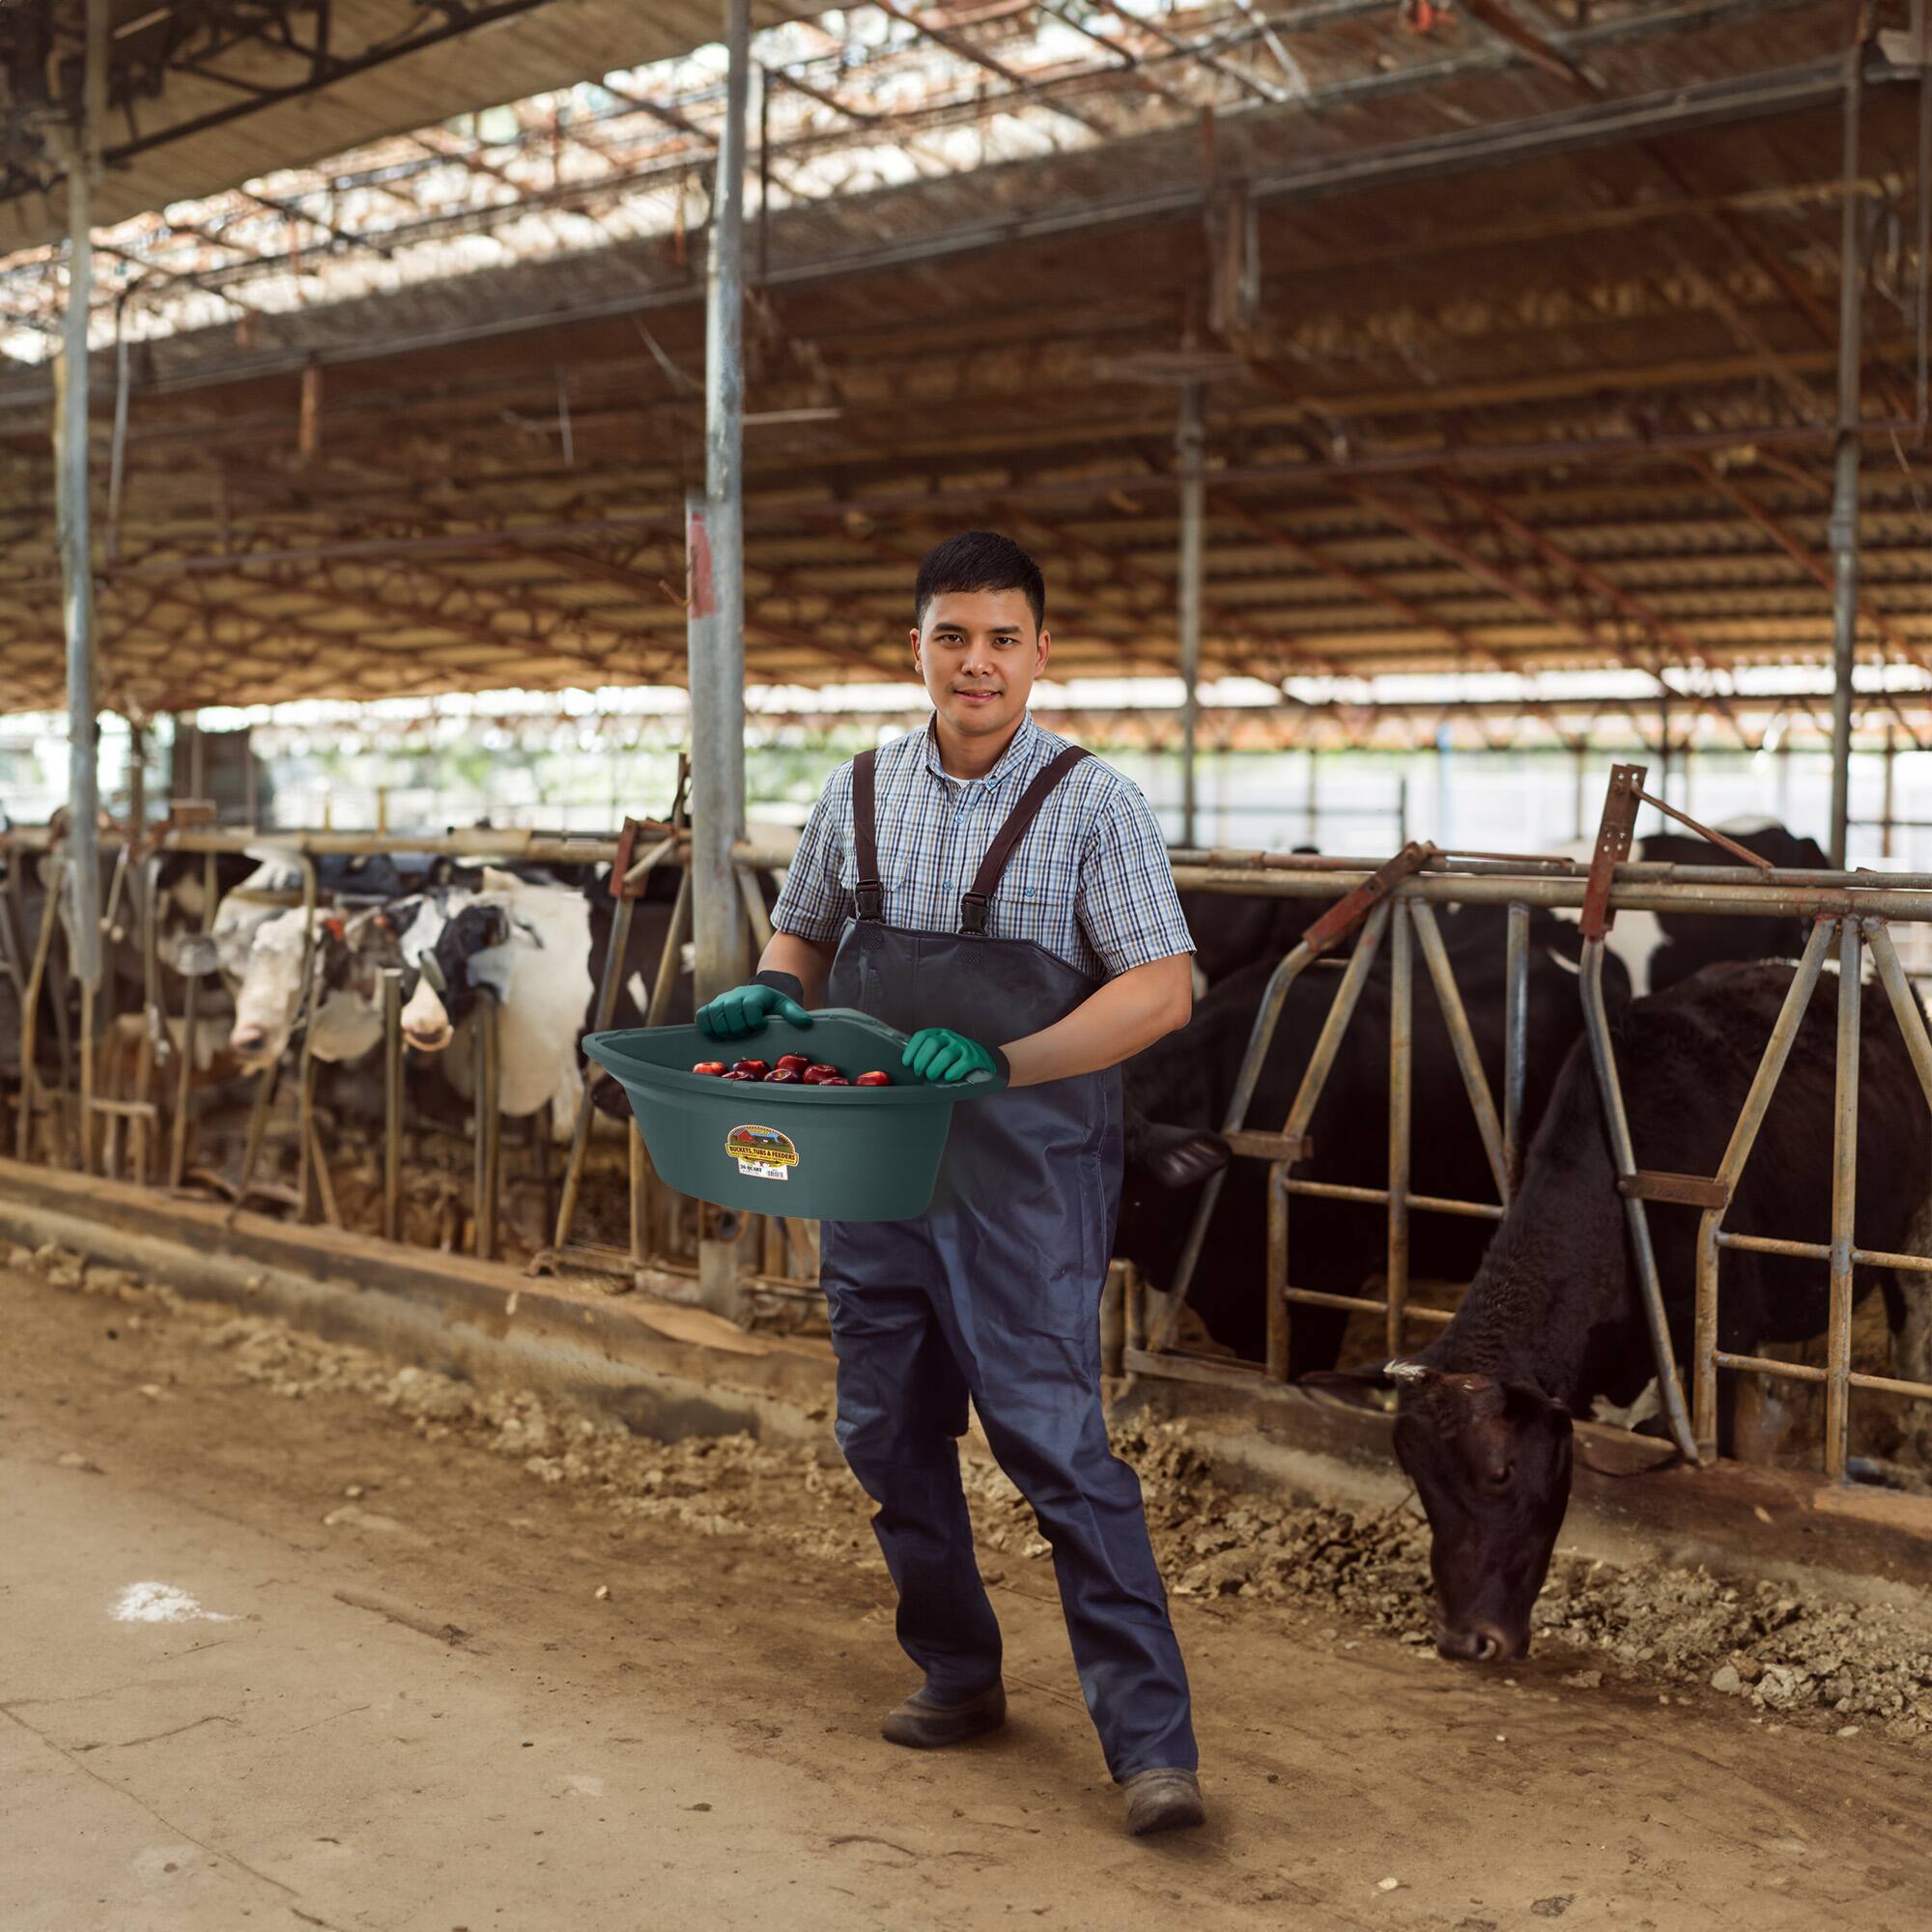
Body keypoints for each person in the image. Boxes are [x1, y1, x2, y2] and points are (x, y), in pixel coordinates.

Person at [696, 530, 1205, 1837]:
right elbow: (804, 934)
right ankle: (959, 1671)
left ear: (1042, 652)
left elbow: (1161, 988)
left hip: (1023, 1179)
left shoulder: (1095, 804)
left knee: (1054, 1443)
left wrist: (1007, 1053)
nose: (975, 662)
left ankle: (1150, 1745)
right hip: (879, 1168)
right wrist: (773, 984)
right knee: (883, 1428)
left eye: (1000, 638)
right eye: (951, 637)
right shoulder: (859, 789)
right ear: (917, 648)